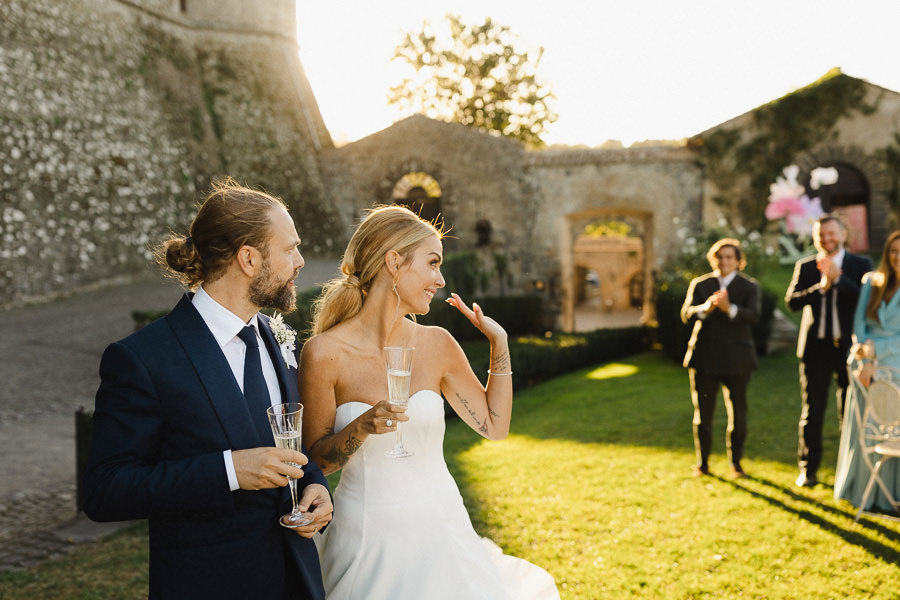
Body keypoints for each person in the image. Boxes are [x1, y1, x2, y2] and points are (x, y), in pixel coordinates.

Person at [82, 178, 333, 600]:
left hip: (298, 580)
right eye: (290, 249)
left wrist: (315, 485)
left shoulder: (276, 337)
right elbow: (106, 491)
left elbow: (290, 446)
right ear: (249, 259)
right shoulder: (143, 358)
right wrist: (230, 471)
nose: (301, 260)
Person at [299, 205, 559, 600]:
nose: (439, 279)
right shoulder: (323, 353)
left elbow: (495, 426)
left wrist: (498, 345)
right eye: (432, 263)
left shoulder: (437, 344)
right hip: (367, 538)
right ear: (394, 262)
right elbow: (318, 462)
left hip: (442, 530)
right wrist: (361, 427)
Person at [785, 214, 872, 488]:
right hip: (815, 349)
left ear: (844, 234)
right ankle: (808, 470)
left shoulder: (861, 265)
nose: (826, 239)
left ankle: (852, 472)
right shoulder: (807, 266)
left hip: (851, 350)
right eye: (821, 235)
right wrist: (821, 288)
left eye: (831, 233)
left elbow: (867, 301)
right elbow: (792, 302)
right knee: (813, 411)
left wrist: (840, 280)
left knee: (851, 412)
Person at [681, 238, 760, 478]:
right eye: (720, 257)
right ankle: (703, 463)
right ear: (713, 260)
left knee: (738, 414)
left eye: (729, 257)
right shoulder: (701, 284)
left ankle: (736, 463)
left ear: (738, 261)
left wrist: (729, 309)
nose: (724, 262)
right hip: (704, 359)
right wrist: (705, 308)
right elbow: (686, 314)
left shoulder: (749, 286)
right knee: (703, 414)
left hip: (737, 360)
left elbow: (754, 316)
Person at [834, 230, 900, 510]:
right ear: (886, 254)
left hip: (896, 365)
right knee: (866, 427)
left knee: (890, 429)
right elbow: (859, 324)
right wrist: (866, 357)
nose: (898, 257)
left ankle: (888, 495)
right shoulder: (872, 282)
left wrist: (877, 351)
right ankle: (862, 490)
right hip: (864, 365)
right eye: (894, 251)